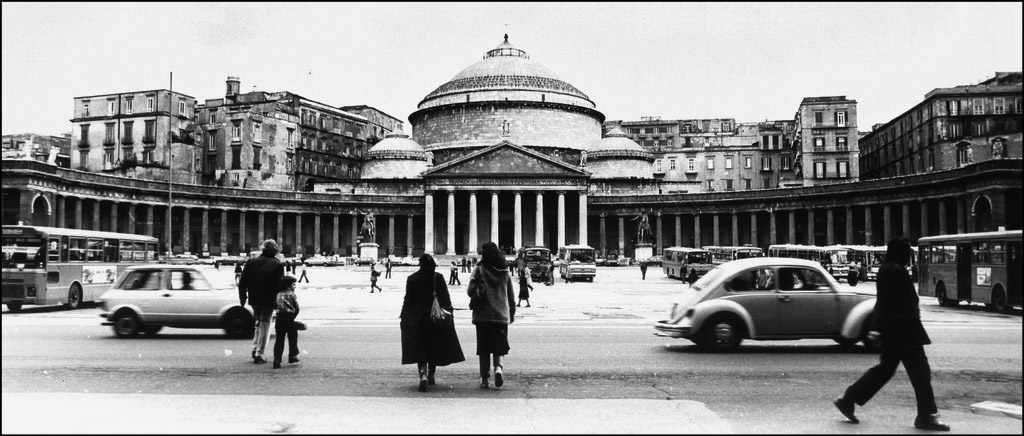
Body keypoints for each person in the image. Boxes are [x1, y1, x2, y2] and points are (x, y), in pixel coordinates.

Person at [834, 237, 949, 432]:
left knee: (885, 370)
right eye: (907, 252)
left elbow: (884, 302)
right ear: (899, 252)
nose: (909, 256)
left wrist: (879, 328)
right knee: (921, 373)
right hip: (905, 331)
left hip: (894, 331)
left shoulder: (887, 269)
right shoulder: (896, 271)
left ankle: (848, 400)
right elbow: (893, 302)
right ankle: (925, 416)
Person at [400, 254, 465, 392]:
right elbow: (446, 299)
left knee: (420, 347)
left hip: (418, 319)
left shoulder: (412, 279)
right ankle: (431, 374)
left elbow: (408, 300)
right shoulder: (438, 277)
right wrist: (449, 313)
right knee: (433, 346)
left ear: (420, 264)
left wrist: (403, 316)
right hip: (434, 318)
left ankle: (422, 374)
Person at [467, 241, 516, 389]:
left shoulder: (479, 270)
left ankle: (485, 379)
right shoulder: (505, 271)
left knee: (484, 349)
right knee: (498, 347)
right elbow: (512, 296)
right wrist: (511, 313)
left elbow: (470, 291)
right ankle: (499, 369)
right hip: (501, 315)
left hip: (483, 315)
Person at [238, 239, 285, 364]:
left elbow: (242, 282)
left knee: (258, 323)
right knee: (265, 324)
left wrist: (243, 298)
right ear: (275, 251)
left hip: (254, 298)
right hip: (268, 299)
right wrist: (279, 301)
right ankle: (260, 353)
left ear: (263, 250)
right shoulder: (277, 264)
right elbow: (280, 285)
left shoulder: (251, 262)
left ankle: (255, 348)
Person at [273, 276, 300, 369]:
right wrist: (293, 316)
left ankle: (277, 359)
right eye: (293, 284)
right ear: (288, 286)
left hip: (279, 319)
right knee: (292, 338)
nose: (295, 286)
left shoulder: (278, 294)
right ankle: (292, 356)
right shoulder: (292, 294)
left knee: (279, 340)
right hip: (289, 319)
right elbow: (297, 307)